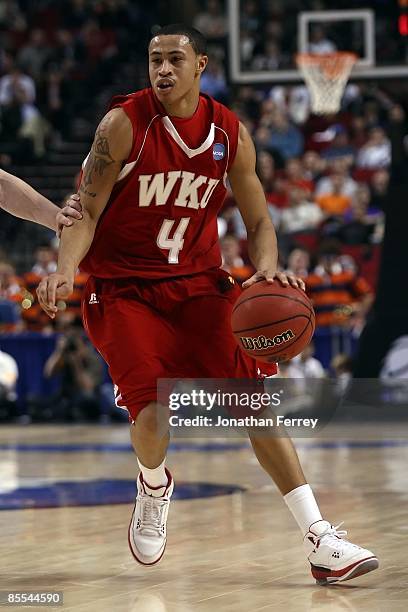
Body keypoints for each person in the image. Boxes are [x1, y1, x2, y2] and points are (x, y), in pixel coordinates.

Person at [36, 24, 377, 583]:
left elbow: (260, 219)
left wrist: (266, 264)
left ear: (201, 65)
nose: (163, 70)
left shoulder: (230, 133)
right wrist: (66, 270)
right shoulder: (124, 125)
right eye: (154, 60)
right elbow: (85, 212)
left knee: (255, 405)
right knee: (154, 413)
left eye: (175, 59)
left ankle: (321, 540)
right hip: (123, 289)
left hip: (199, 285)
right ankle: (153, 484)